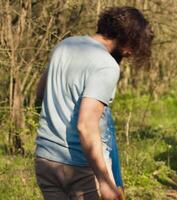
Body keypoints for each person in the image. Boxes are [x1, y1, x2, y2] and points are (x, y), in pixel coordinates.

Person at [34, 7, 153, 200]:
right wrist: (105, 181)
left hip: (46, 159)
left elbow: (40, 92)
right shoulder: (106, 65)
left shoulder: (65, 45)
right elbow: (86, 125)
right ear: (127, 37)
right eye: (134, 46)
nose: (131, 53)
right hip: (80, 167)